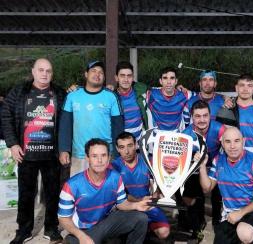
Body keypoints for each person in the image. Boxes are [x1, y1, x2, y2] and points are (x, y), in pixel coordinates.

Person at [2, 58, 65, 244]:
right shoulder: (19, 91)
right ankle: (24, 230)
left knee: (53, 193)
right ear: (33, 71)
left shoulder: (60, 94)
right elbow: (5, 115)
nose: (45, 74)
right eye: (41, 70)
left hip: (51, 154)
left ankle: (51, 228)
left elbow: (67, 120)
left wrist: (63, 149)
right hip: (26, 154)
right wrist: (13, 144)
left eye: (48, 71)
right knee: (26, 194)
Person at [58, 138, 150, 244]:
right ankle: (72, 240)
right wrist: (81, 236)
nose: (100, 160)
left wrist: (137, 205)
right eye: (94, 156)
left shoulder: (116, 177)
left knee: (141, 218)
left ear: (109, 158)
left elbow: (121, 204)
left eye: (103, 155)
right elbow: (63, 218)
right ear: (87, 158)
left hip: (106, 223)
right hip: (84, 229)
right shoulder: (72, 185)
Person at [199, 127, 253, 244]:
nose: (232, 146)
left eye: (236, 141)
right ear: (222, 143)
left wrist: (241, 213)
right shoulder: (218, 161)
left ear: (243, 141)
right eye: (228, 141)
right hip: (230, 214)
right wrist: (202, 166)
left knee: (244, 233)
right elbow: (206, 188)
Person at [58, 61, 124, 176]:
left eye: (101, 73)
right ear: (86, 74)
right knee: (80, 191)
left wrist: (117, 154)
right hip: (79, 155)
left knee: (106, 191)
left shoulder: (111, 96)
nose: (97, 74)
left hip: (105, 155)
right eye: (93, 71)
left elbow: (118, 127)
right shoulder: (72, 96)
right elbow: (65, 125)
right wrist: (64, 149)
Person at [112, 132, 170, 240]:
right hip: (127, 206)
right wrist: (138, 200)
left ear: (136, 145)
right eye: (122, 147)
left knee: (164, 232)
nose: (127, 151)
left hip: (147, 204)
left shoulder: (148, 160)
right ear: (117, 149)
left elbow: (158, 184)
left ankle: (147, 229)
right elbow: (118, 196)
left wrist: (156, 193)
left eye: (130, 145)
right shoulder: (114, 166)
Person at [181, 100, 225, 235]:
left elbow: (230, 149)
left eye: (205, 115)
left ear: (210, 116)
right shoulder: (185, 135)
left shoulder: (220, 129)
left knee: (219, 190)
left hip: (215, 164)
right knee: (190, 189)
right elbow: (181, 162)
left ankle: (218, 220)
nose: (202, 120)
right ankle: (197, 221)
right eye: (198, 116)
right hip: (195, 166)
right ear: (192, 117)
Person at [146, 67, 192, 131]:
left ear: (176, 81)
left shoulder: (185, 95)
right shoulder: (151, 94)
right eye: (165, 78)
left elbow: (202, 95)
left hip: (177, 136)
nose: (168, 82)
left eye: (172, 78)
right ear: (160, 81)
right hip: (157, 136)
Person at [114, 61, 148, 140]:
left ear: (133, 78)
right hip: (121, 145)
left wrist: (178, 89)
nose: (126, 79)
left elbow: (162, 91)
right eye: (122, 76)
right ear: (116, 78)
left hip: (140, 144)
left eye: (129, 76)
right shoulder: (112, 97)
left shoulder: (141, 91)